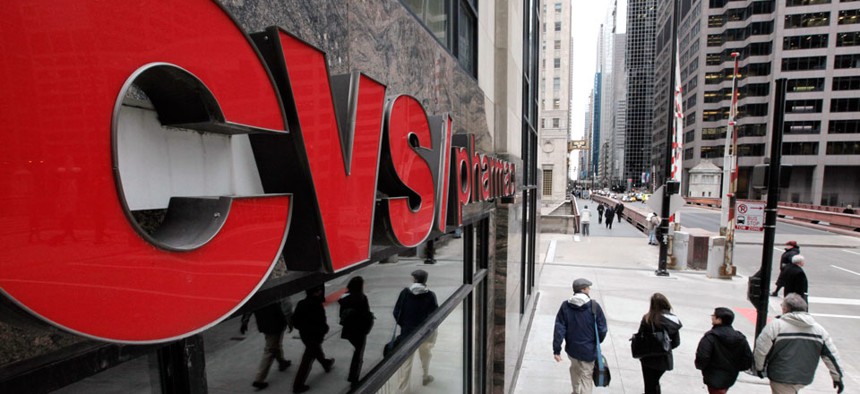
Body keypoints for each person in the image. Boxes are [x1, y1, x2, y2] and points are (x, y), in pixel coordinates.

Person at [754, 294, 844, 394]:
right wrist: (837, 377)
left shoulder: (775, 326)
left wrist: (759, 368)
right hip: (804, 377)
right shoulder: (819, 330)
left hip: (780, 376)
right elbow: (831, 356)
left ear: (786, 309)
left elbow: (761, 350)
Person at [552, 278, 608, 394]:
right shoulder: (594, 306)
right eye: (588, 288)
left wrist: (557, 350)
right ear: (583, 289)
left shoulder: (565, 306)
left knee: (575, 370)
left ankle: (575, 391)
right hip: (588, 350)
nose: (589, 289)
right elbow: (603, 329)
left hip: (572, 349)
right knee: (586, 377)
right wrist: (596, 342)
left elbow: (559, 329)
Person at [394, 270, 439, 389]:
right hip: (424, 333)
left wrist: (404, 324)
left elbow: (397, 312)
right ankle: (425, 376)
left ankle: (404, 388)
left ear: (415, 280)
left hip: (407, 332)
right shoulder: (430, 295)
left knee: (406, 362)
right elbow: (435, 315)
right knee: (425, 356)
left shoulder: (405, 293)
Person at [694, 307, 752, 394]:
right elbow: (747, 358)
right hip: (730, 376)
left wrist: (701, 366)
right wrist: (737, 367)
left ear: (719, 320)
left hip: (712, 375)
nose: (712, 317)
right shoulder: (740, 338)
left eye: (714, 316)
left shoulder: (711, 337)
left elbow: (702, 356)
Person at [241, 300, 293, 390]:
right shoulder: (277, 289)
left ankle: (282, 362)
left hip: (263, 322)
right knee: (270, 349)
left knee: (274, 343)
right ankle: (259, 379)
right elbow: (286, 307)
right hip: (276, 322)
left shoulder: (257, 291)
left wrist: (245, 321)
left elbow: (250, 306)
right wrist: (290, 322)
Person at [636, 293, 682, 394]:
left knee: (649, 384)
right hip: (664, 359)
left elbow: (640, 337)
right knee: (655, 382)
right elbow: (676, 342)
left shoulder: (648, 319)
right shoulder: (673, 320)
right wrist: (665, 348)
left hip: (648, 357)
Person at [292, 286, 334, 394]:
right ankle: (298, 385)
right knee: (307, 360)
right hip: (315, 336)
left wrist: (303, 327)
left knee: (314, 351)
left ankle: (326, 363)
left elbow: (295, 321)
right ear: (316, 293)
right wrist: (324, 330)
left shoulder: (301, 303)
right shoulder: (317, 305)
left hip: (305, 335)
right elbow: (321, 322)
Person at [338, 276, 374, 386]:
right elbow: (366, 313)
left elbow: (341, 314)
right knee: (358, 353)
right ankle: (353, 377)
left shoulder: (344, 298)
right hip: (360, 329)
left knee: (357, 350)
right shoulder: (362, 298)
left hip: (348, 329)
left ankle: (353, 376)